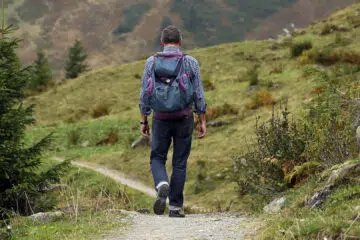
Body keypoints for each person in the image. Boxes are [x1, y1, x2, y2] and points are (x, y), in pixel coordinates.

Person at [139, 25, 207, 218]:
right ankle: (176, 207)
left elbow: (145, 93)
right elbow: (198, 94)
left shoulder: (151, 62)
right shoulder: (190, 62)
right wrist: (202, 119)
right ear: (180, 42)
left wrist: (144, 119)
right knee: (179, 162)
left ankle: (161, 183)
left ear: (162, 43)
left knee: (157, 157)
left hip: (160, 118)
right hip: (184, 117)